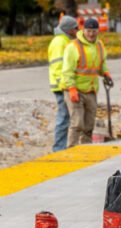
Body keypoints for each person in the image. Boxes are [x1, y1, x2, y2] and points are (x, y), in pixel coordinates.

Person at [61, 17, 112, 147]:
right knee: (77, 123)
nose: (91, 34)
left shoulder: (99, 45)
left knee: (89, 125)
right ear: (84, 30)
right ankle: (71, 151)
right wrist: (71, 88)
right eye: (88, 31)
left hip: (90, 90)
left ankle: (85, 150)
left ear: (98, 31)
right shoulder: (73, 47)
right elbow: (67, 71)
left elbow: (102, 64)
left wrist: (105, 73)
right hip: (74, 90)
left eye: (94, 31)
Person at [47, 15, 78, 152]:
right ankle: (58, 149)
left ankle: (62, 146)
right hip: (61, 86)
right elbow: (58, 67)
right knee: (64, 117)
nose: (77, 30)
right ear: (69, 29)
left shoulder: (64, 40)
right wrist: (65, 86)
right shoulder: (60, 42)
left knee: (66, 117)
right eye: (75, 28)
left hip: (63, 85)